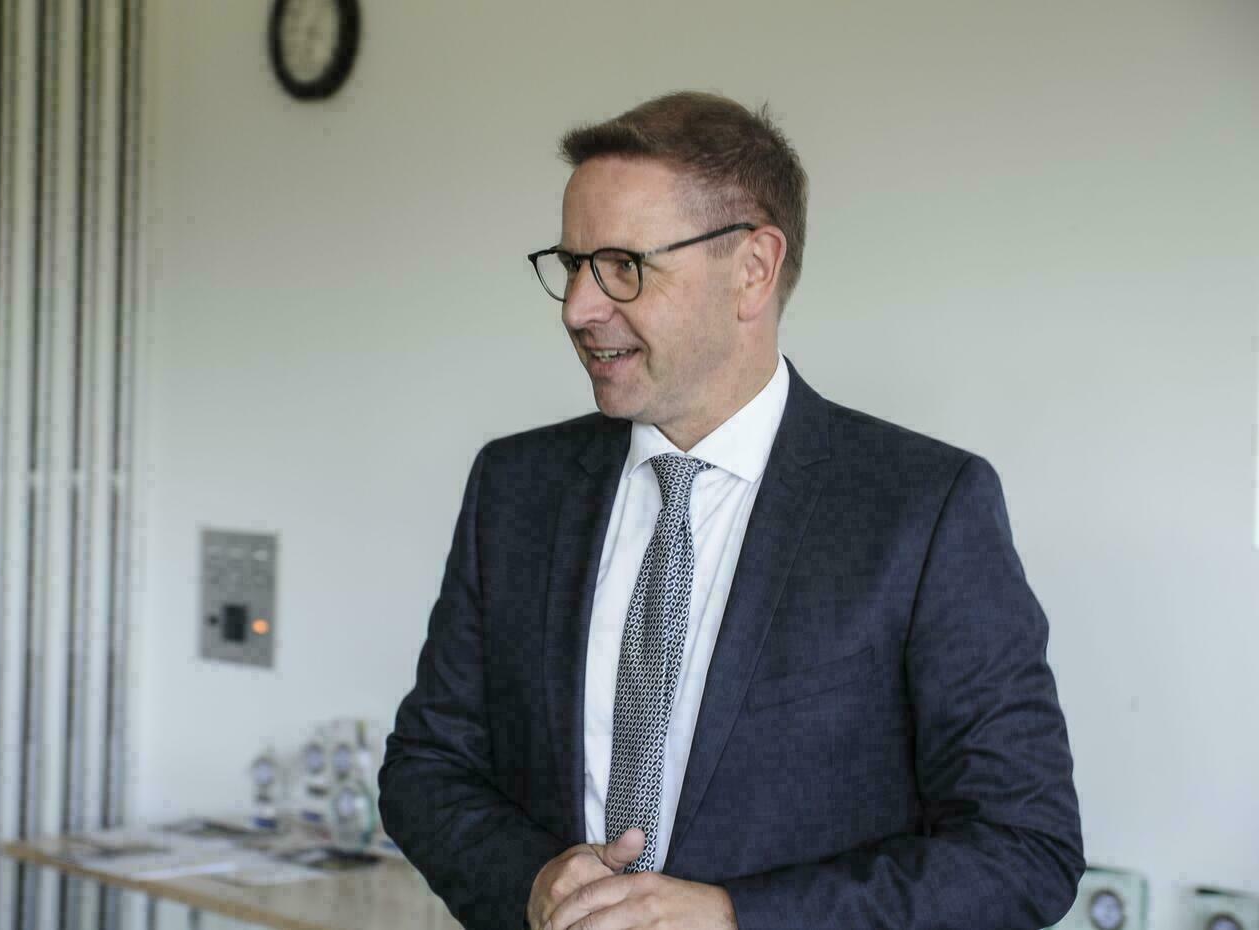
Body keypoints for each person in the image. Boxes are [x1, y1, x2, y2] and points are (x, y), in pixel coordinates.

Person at [378, 91, 1084, 930]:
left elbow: (1023, 849)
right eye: (571, 264)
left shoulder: (925, 510)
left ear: (753, 268)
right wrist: (532, 883)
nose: (578, 308)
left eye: (623, 265)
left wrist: (734, 918)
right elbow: (427, 768)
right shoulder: (516, 487)